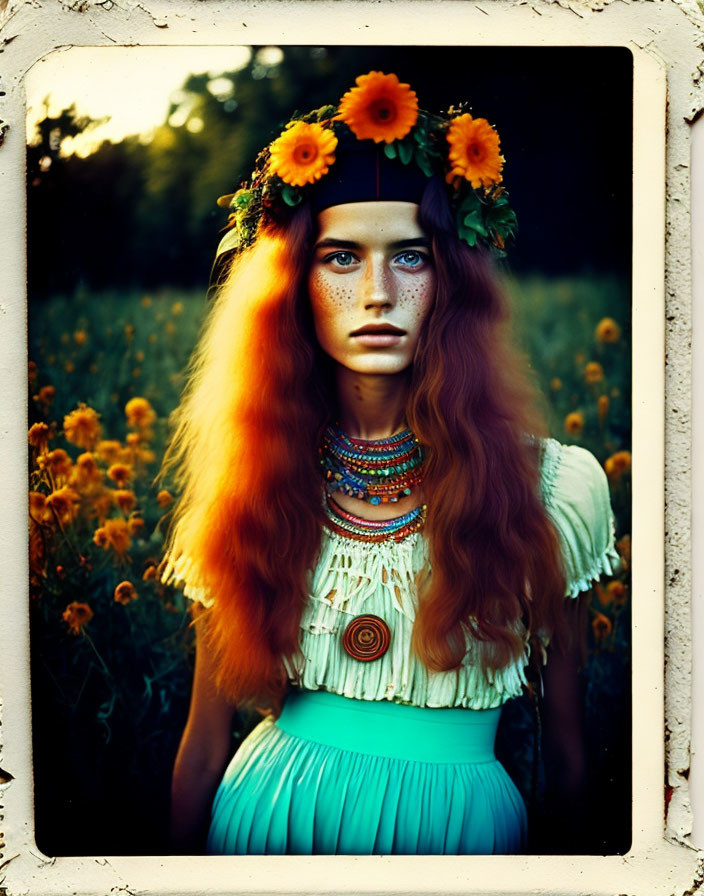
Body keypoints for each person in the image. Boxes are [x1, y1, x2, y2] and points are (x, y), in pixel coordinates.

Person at [161, 71, 619, 855]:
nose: (376, 292)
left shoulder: (554, 490)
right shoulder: (252, 486)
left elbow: (572, 764)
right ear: (294, 288)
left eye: (410, 256)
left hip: (462, 844)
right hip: (264, 831)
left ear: (452, 284)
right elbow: (202, 748)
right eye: (340, 257)